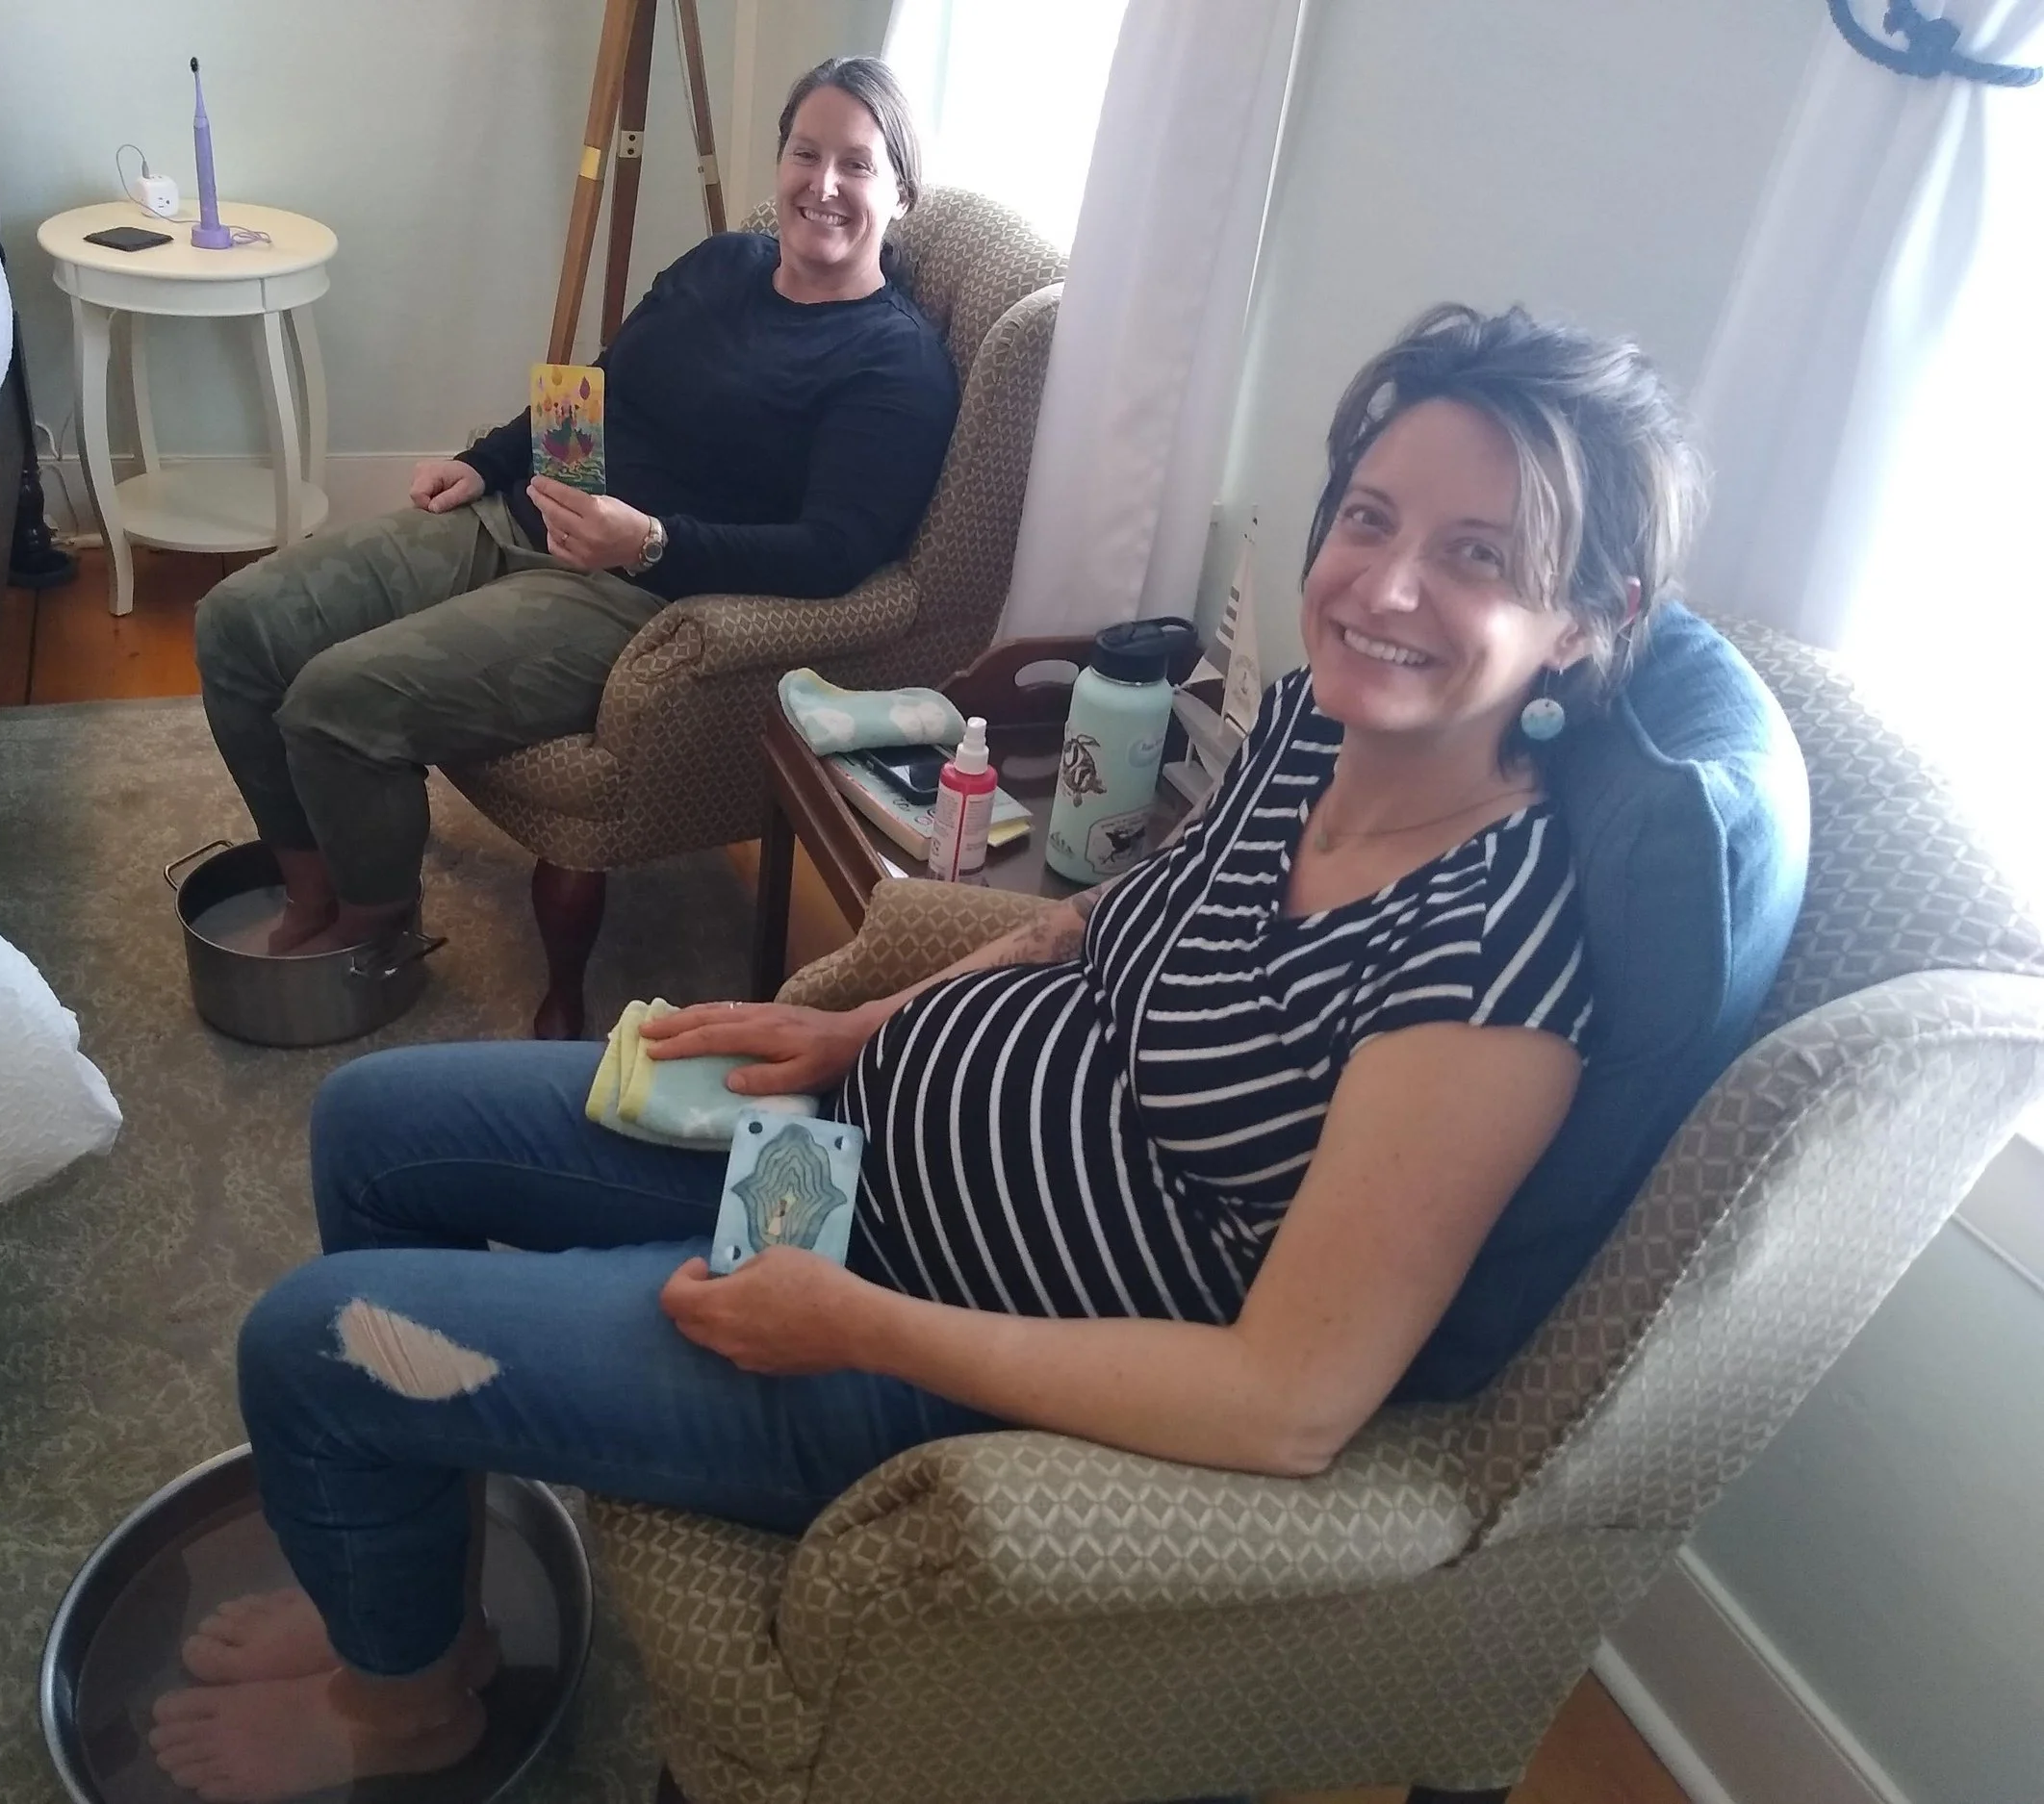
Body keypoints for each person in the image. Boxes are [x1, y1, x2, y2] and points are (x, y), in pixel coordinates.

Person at [146, 303, 1707, 1800]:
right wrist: (849, 1024)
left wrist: (863, 1325)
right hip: (843, 1152)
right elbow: (1106, 923)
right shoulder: (1317, 727)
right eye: (1368, 518)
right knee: (371, 1128)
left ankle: (398, 1708)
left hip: (938, 1350)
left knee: (313, 1346)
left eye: (1478, 556)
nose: (1384, 584)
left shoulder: (1489, 968)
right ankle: (427, 1616)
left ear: (1589, 622)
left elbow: (1288, 1403)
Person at [192, 57, 958, 957]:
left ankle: (372, 929)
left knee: (335, 701)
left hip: (627, 594)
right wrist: (485, 462)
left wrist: (650, 543)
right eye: (805, 153)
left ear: (900, 193)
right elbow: (597, 385)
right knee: (236, 623)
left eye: (857, 165)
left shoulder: (892, 364)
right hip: (525, 508)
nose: (823, 185)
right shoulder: (725, 261)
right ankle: (310, 881)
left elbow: (834, 552)